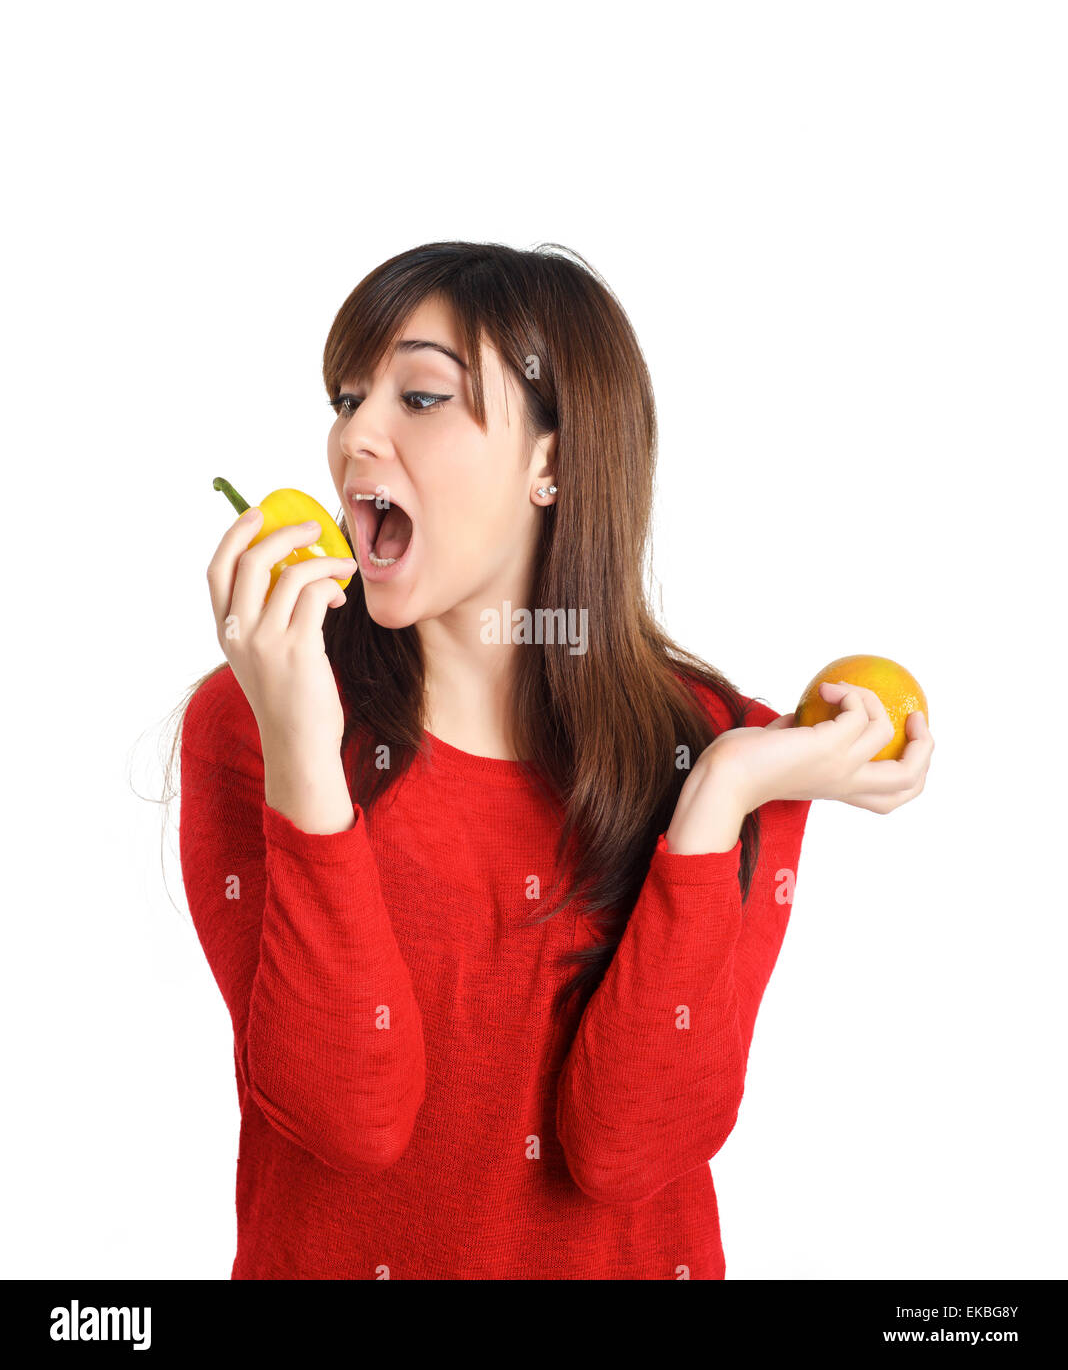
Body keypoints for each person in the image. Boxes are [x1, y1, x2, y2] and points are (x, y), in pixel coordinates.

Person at [173, 240, 934, 1279]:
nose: (356, 433)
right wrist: (303, 746)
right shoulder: (253, 715)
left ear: (553, 462)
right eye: (348, 398)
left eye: (422, 396)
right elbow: (352, 1119)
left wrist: (718, 795)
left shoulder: (736, 746)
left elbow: (629, 1146)